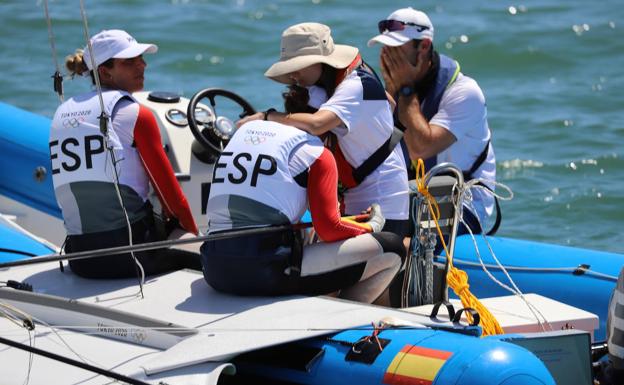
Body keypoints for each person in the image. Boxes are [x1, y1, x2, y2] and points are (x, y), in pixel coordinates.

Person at [201, 118, 405, 303]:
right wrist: (372, 225)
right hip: (265, 273)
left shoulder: (244, 137)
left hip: (213, 269)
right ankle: (340, 324)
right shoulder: (318, 152)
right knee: (393, 248)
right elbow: (329, 229)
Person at [237, 22, 410, 238]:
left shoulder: (355, 85)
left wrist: (266, 117)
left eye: (296, 67)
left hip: (384, 207)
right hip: (359, 204)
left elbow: (316, 123)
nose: (292, 75)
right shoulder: (334, 86)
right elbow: (390, 103)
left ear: (320, 61)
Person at [49, 29, 199, 279]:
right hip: (132, 257)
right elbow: (171, 198)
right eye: (129, 62)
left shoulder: (61, 114)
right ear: (105, 72)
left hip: (80, 260)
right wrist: (193, 237)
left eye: (140, 58)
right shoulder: (136, 114)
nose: (142, 65)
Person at [368, 8, 497, 235]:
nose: (389, 57)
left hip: (462, 202)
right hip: (413, 194)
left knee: (389, 238)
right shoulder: (393, 87)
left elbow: (420, 149)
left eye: (397, 48)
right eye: (386, 48)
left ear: (424, 47)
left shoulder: (465, 92)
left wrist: (404, 90)